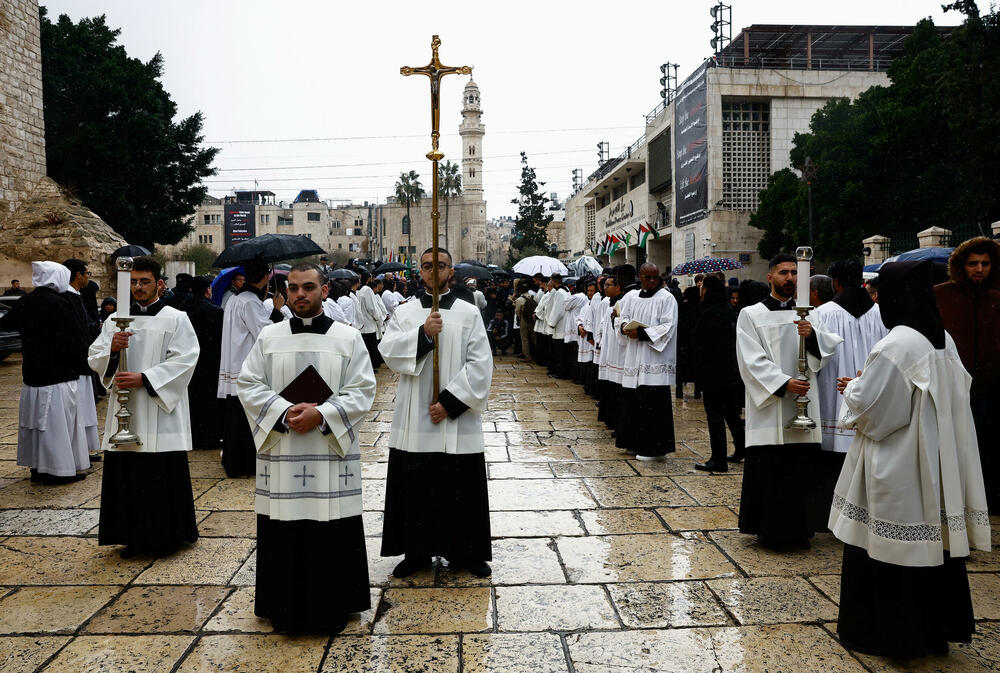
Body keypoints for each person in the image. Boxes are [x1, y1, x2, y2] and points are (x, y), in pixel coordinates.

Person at [830, 259, 990, 659]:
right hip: (936, 461)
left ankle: (888, 637)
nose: (876, 299)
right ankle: (933, 632)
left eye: (880, 291)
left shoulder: (896, 344)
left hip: (900, 465)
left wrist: (853, 390)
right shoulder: (942, 339)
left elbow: (877, 414)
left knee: (887, 548)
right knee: (932, 547)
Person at [238, 263, 376, 634]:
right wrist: (283, 412)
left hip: (330, 452)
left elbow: (363, 389)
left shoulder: (348, 338)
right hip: (283, 452)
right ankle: (283, 606)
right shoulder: (269, 337)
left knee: (330, 527)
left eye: (309, 287)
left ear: (324, 291)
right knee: (285, 528)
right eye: (294, 288)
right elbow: (248, 384)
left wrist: (323, 414)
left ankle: (335, 603)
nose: (301, 294)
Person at [378, 247, 493, 578]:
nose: (433, 271)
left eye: (440, 265)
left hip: (457, 418)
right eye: (427, 266)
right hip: (416, 416)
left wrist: (451, 403)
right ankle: (416, 552)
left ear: (450, 271)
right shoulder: (407, 311)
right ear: (420, 271)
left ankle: (464, 552)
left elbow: (482, 364)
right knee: (417, 484)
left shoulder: (468, 313)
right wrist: (423, 334)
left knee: (459, 485)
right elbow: (388, 351)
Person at [88, 256, 200, 558]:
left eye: (144, 281)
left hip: (159, 408)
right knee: (128, 473)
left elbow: (186, 358)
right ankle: (131, 536)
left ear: (159, 284)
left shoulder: (176, 318)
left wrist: (146, 378)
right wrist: (111, 350)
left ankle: (167, 536)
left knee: (159, 473)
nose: (138, 287)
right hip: (126, 412)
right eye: (133, 282)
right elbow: (94, 355)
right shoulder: (114, 321)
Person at [736, 253, 842, 548]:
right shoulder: (751, 314)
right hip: (771, 405)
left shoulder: (810, 313)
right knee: (771, 468)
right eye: (784, 272)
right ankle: (769, 530)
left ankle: (800, 529)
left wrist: (813, 337)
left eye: (795, 273)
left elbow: (829, 348)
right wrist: (783, 383)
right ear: (770, 277)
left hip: (805, 404)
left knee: (800, 469)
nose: (790, 278)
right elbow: (749, 359)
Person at [810, 259, 888, 530]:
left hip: (833, 391)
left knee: (831, 462)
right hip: (868, 393)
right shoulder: (880, 313)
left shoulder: (823, 313)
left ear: (836, 282)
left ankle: (828, 517)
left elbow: (813, 357)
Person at [0, 262, 89, 483]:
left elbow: (6, 324)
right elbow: (75, 339)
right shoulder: (61, 303)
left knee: (37, 424)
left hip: (33, 374)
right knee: (57, 425)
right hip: (59, 374)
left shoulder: (25, 301)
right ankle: (57, 470)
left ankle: (39, 467)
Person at [935, 237, 1000, 512]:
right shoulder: (941, 295)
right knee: (954, 451)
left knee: (985, 450)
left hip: (989, 387)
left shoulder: (995, 297)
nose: (979, 269)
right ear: (961, 265)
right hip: (951, 387)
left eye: (985, 263)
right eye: (973, 263)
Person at [219, 259, 286, 477]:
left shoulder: (236, 298)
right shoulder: (249, 301)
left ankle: (233, 460)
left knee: (235, 418)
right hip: (244, 365)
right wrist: (276, 310)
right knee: (245, 420)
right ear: (266, 277)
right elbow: (265, 335)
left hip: (234, 362)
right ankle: (243, 463)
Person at [613, 263, 678, 460]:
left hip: (654, 360)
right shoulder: (631, 296)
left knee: (654, 405)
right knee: (633, 402)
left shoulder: (667, 298)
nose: (652, 281)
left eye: (655, 277)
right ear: (640, 277)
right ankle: (633, 443)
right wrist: (624, 326)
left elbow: (669, 326)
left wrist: (640, 333)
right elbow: (620, 316)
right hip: (634, 358)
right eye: (648, 277)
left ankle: (655, 449)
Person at [691, 275, 744, 470]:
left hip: (713, 372)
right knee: (731, 413)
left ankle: (718, 459)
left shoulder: (710, 312)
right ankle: (741, 449)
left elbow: (702, 343)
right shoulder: (727, 309)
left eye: (703, 286)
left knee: (714, 415)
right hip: (729, 371)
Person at [61, 259, 102, 463]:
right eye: (87, 273)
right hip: (76, 363)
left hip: (83, 360)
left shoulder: (77, 295)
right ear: (78, 275)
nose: (88, 276)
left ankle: (84, 447)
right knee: (80, 408)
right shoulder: (67, 297)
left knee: (86, 407)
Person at [184, 276, 225, 451]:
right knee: (209, 402)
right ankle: (209, 437)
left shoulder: (183, 311)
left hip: (189, 361)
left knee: (192, 399)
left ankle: (192, 436)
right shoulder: (216, 311)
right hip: (211, 361)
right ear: (208, 290)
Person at [596, 276, 624, 430]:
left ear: (618, 287)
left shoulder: (622, 303)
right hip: (607, 350)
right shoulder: (608, 303)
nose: (604, 287)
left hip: (617, 352)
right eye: (604, 285)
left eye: (608, 285)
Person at [355, 270, 388, 370]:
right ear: (369, 278)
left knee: (368, 347)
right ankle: (373, 366)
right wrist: (379, 318)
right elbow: (372, 307)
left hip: (363, 323)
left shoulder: (360, 290)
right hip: (369, 323)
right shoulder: (367, 290)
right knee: (371, 347)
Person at [675, 286, 701, 400]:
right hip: (695, 342)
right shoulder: (701, 308)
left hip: (682, 342)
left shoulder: (681, 307)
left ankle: (679, 389)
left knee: (681, 367)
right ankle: (697, 391)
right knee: (696, 366)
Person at [544, 274, 569, 378]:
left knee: (559, 352)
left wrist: (551, 324)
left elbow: (558, 310)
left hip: (559, 325)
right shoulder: (566, 290)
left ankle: (561, 373)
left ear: (553, 281)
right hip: (564, 323)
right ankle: (560, 371)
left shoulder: (559, 292)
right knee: (562, 351)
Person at [513, 281, 533, 361]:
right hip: (532, 319)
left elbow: (517, 311)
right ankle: (536, 354)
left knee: (524, 339)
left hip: (523, 320)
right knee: (534, 337)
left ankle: (527, 356)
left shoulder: (520, 299)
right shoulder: (532, 296)